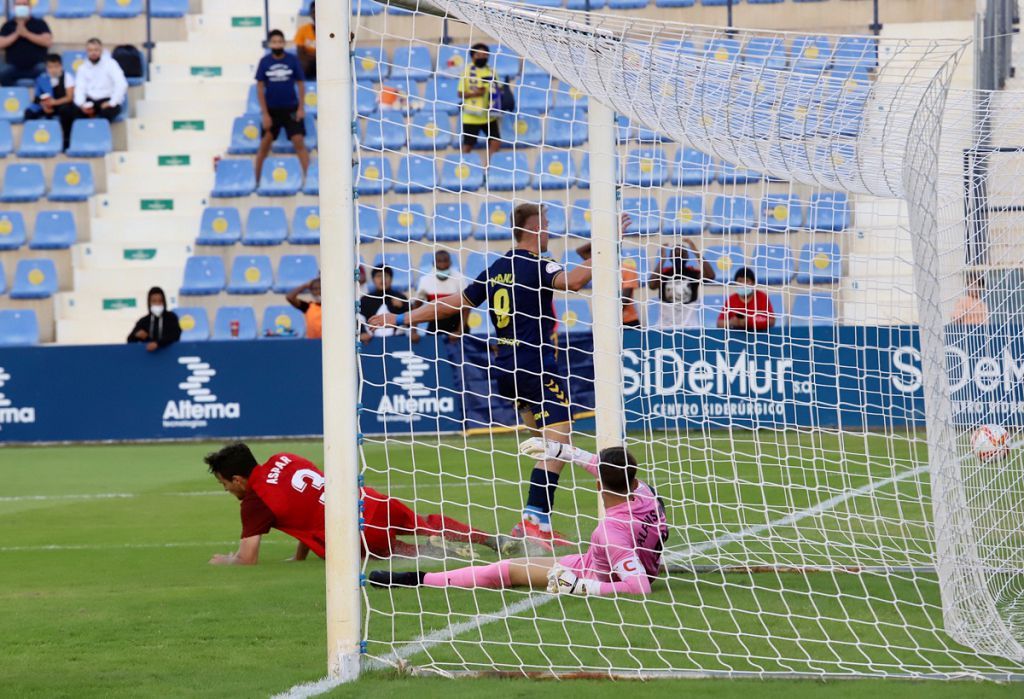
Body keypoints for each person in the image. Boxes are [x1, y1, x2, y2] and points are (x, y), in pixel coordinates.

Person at [369, 204, 630, 551]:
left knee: (545, 443)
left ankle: (536, 520)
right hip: (536, 363)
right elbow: (576, 280)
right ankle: (534, 522)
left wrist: (400, 320)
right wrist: (609, 242)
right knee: (558, 444)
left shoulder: (495, 269)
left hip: (506, 367)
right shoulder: (538, 265)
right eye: (547, 225)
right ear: (534, 228)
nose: (550, 231)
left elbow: (453, 304)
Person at [369, 443, 669, 597]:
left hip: (595, 573)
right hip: (611, 559)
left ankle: (415, 580)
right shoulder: (644, 493)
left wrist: (582, 587)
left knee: (501, 573)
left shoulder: (610, 531)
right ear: (633, 476)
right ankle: (416, 579)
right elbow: (599, 465)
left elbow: (639, 587)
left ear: (598, 486)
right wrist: (559, 450)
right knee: (505, 570)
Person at [205, 442, 506, 564]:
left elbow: (249, 557)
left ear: (237, 479)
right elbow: (307, 507)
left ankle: (443, 549)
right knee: (425, 523)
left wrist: (229, 560)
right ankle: (489, 539)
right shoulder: (285, 458)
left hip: (357, 531)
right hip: (373, 501)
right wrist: (300, 557)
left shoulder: (255, 499)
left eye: (224, 484)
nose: (226, 490)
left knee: (408, 553)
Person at [254, 29, 308, 180]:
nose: (277, 44)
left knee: (299, 142)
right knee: (264, 144)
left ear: (284, 43)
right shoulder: (264, 62)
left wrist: (301, 108)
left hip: (291, 109)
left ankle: (310, 179)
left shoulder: (292, 60)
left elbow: (301, 84)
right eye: (274, 42)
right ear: (270, 44)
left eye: (279, 42)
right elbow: (259, 87)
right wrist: (265, 114)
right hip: (272, 112)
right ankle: (256, 181)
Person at [66, 38, 128, 139]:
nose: (93, 53)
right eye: (90, 50)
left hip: (108, 100)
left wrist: (112, 102)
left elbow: (121, 84)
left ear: (101, 50)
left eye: (96, 50)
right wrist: (82, 105)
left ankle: (99, 141)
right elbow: (80, 89)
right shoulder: (82, 68)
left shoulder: (111, 64)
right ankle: (73, 142)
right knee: (68, 111)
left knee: (107, 113)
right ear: (87, 51)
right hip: (90, 101)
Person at [649, 240, 714, 329]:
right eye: (675, 255)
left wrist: (697, 254)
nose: (678, 257)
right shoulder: (664, 273)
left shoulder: (693, 273)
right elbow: (651, 285)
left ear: (687, 257)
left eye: (682, 255)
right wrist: (662, 260)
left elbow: (711, 276)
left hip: (690, 326)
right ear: (670, 258)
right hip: (665, 326)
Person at [574, 242, 641, 328]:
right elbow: (580, 251)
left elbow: (625, 299)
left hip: (627, 321)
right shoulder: (600, 267)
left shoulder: (628, 269)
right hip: (606, 321)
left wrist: (609, 317)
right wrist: (602, 238)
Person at [458, 42, 500, 167]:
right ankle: (463, 167)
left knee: (495, 141)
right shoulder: (466, 70)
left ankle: (487, 165)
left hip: (488, 114)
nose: (482, 57)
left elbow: (499, 88)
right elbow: (460, 93)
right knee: (468, 144)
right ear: (473, 56)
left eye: (484, 55)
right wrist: (476, 94)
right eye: (479, 54)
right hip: (471, 115)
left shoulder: (492, 71)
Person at [414, 250, 466, 339]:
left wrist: (459, 331)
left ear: (450, 263)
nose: (442, 264)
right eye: (439, 261)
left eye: (445, 260)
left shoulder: (460, 278)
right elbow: (416, 306)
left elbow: (466, 307)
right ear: (434, 263)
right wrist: (413, 331)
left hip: (456, 324)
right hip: (435, 324)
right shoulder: (425, 280)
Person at [359, 266, 418, 343]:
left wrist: (403, 307)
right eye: (379, 276)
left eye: (385, 276)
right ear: (373, 279)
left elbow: (412, 317)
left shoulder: (400, 297)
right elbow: (359, 319)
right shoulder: (366, 299)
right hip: (372, 342)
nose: (382, 279)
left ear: (391, 279)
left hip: (398, 341)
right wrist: (362, 333)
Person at [0, 0, 52, 87]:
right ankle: (13, 95)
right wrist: (16, 34)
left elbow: (47, 42)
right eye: (18, 5)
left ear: (30, 7)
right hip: (14, 67)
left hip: (36, 67)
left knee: (44, 71)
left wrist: (26, 34)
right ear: (14, 7)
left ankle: (42, 99)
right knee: (3, 72)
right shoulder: (7, 25)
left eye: (24, 4)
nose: (21, 7)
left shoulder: (40, 23)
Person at [24, 53, 74, 136]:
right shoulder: (41, 78)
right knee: (29, 113)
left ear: (61, 66)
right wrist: (44, 106)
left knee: (66, 111)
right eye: (50, 67)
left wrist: (54, 103)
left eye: (56, 66)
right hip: (46, 105)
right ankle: (31, 138)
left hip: (61, 105)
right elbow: (37, 97)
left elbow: (69, 97)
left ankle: (66, 139)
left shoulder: (68, 77)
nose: (53, 70)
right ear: (46, 68)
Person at [127, 287, 181, 351]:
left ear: (164, 302)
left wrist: (158, 344)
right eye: (154, 301)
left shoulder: (171, 318)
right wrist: (137, 335)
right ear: (149, 303)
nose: (157, 304)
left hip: (168, 355)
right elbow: (130, 339)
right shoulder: (144, 321)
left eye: (160, 301)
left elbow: (175, 335)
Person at [294, 1, 316, 81]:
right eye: (314, 12)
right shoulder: (303, 30)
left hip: (324, 61)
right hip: (308, 62)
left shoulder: (329, 31)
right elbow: (300, 53)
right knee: (302, 63)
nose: (316, 15)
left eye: (318, 12)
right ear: (310, 14)